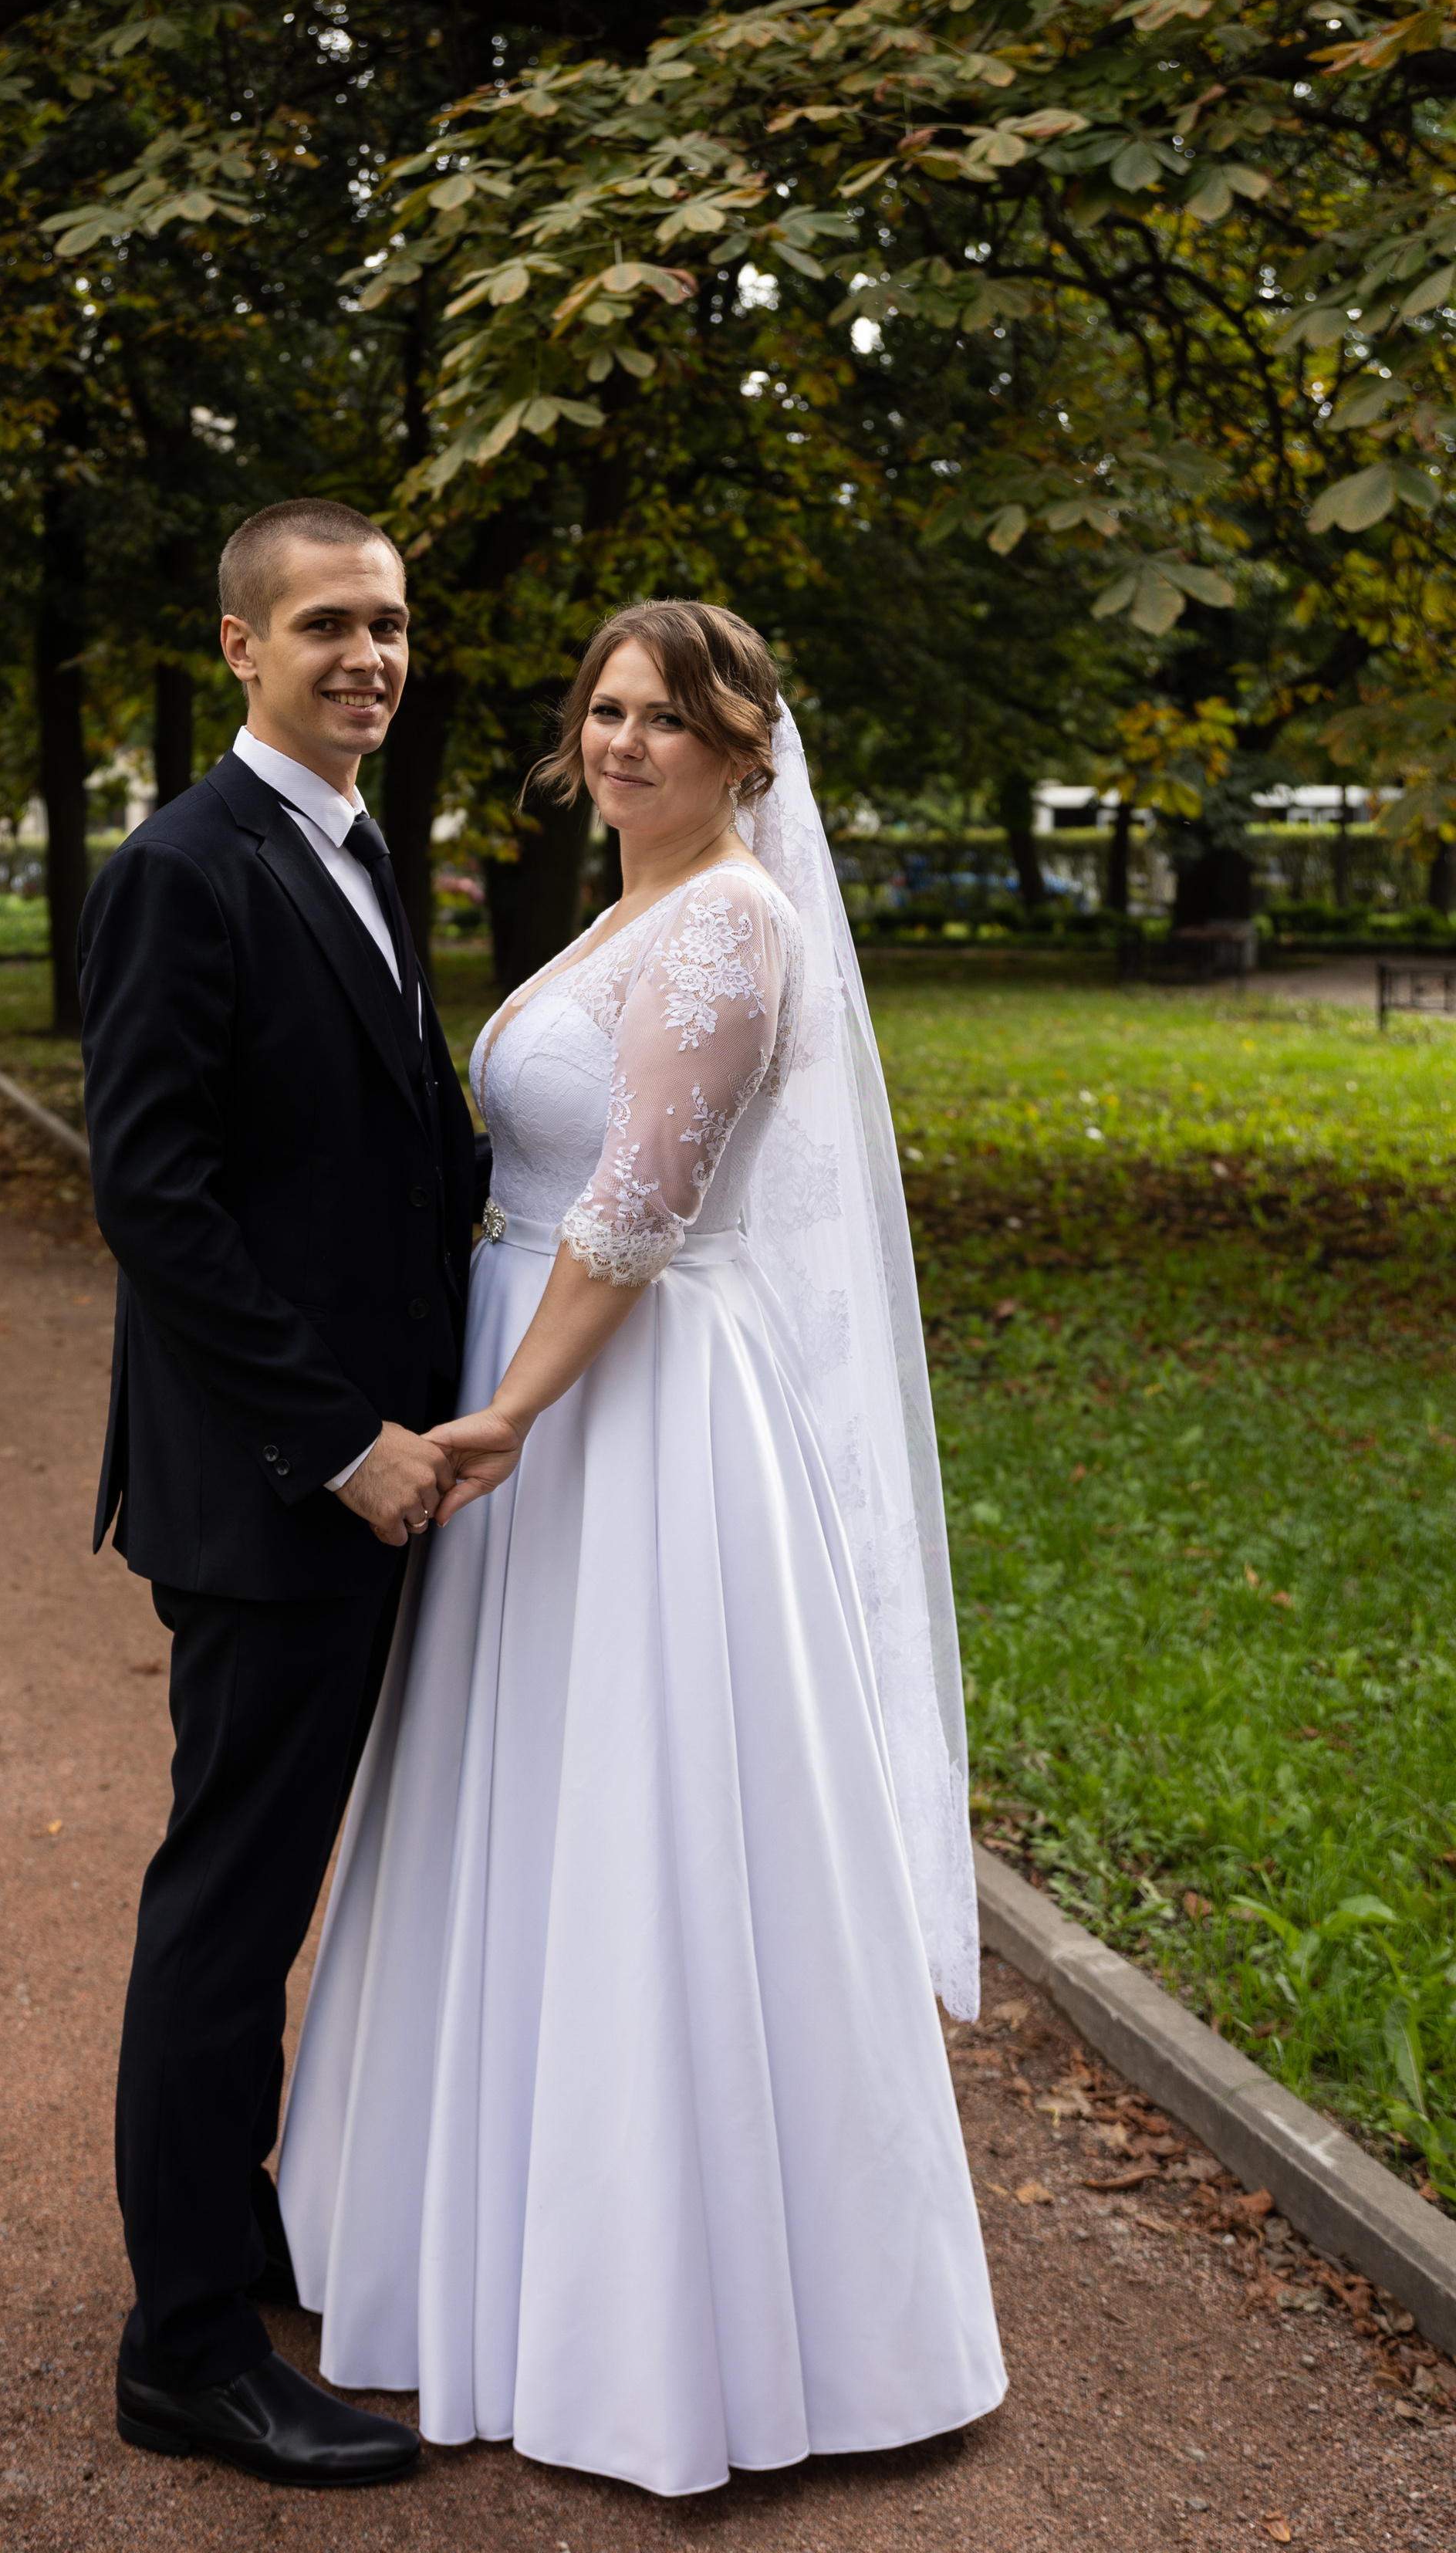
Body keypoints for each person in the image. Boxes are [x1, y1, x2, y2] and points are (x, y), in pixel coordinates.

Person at [278, 601, 1006, 2497]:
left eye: (664, 719)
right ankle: (471, 2240)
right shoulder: (611, 915)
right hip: (531, 1384)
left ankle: (677, 2323)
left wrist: (504, 1410)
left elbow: (632, 1210)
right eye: (600, 710)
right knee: (514, 1809)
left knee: (648, 1816)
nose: (620, 742)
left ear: (743, 750)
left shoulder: (732, 928)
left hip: (633, 1413)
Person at [76, 498, 488, 2489]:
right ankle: (184, 2352)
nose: (367, 656)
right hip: (276, 1492)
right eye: (326, 623)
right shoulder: (185, 863)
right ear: (236, 643)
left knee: (266, 1887)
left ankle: (231, 2232)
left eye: (391, 625)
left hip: (385, 1469)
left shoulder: (352, 842)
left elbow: (384, 1149)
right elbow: (152, 1195)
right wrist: (344, 1442)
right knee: (228, 1909)